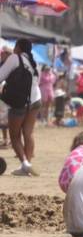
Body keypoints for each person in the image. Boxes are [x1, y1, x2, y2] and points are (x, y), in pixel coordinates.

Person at [0, 39, 41, 176]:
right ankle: (26, 166)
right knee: (28, 133)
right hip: (35, 100)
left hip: (19, 102)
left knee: (14, 136)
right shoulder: (34, 63)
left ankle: (25, 164)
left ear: (18, 47)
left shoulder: (14, 58)